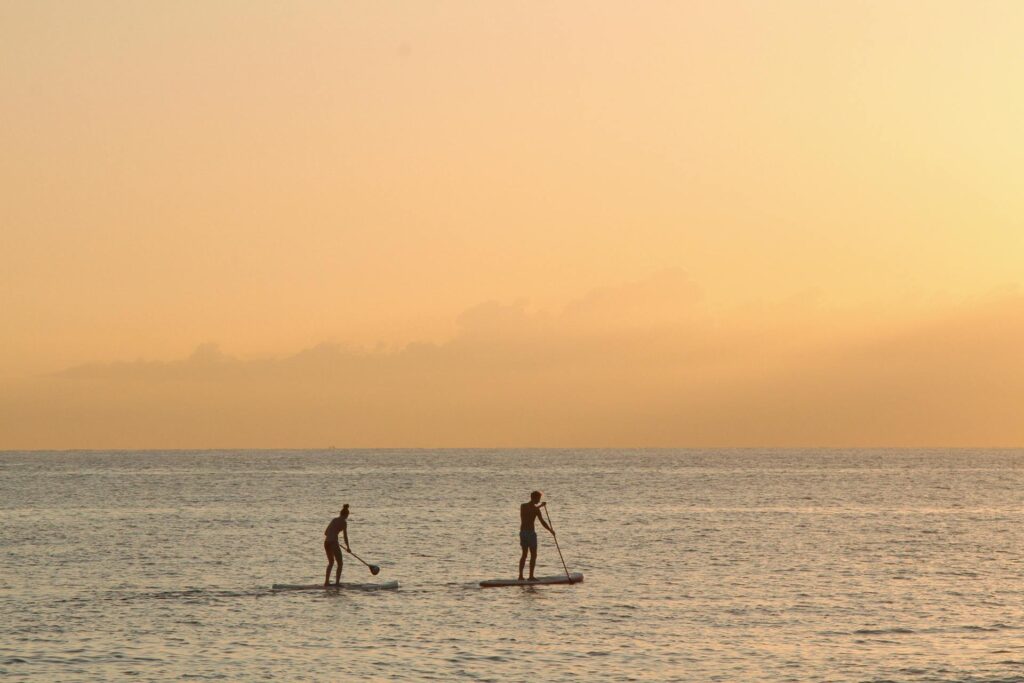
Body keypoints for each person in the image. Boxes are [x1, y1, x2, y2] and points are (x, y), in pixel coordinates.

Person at [519, 491, 554, 581]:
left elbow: (542, 522)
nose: (539, 500)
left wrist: (550, 530)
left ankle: (529, 576)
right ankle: (522, 576)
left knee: (531, 555)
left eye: (539, 499)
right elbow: (530, 510)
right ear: (533, 498)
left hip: (527, 533)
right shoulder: (524, 506)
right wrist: (540, 506)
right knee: (526, 554)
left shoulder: (534, 509)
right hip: (527, 533)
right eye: (538, 498)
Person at [324, 504, 351, 586]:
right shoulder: (344, 523)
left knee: (331, 562)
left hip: (326, 542)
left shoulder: (334, 520)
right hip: (333, 543)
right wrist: (348, 547)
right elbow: (345, 536)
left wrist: (333, 537)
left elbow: (326, 533)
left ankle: (326, 582)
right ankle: (337, 583)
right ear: (346, 515)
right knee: (340, 563)